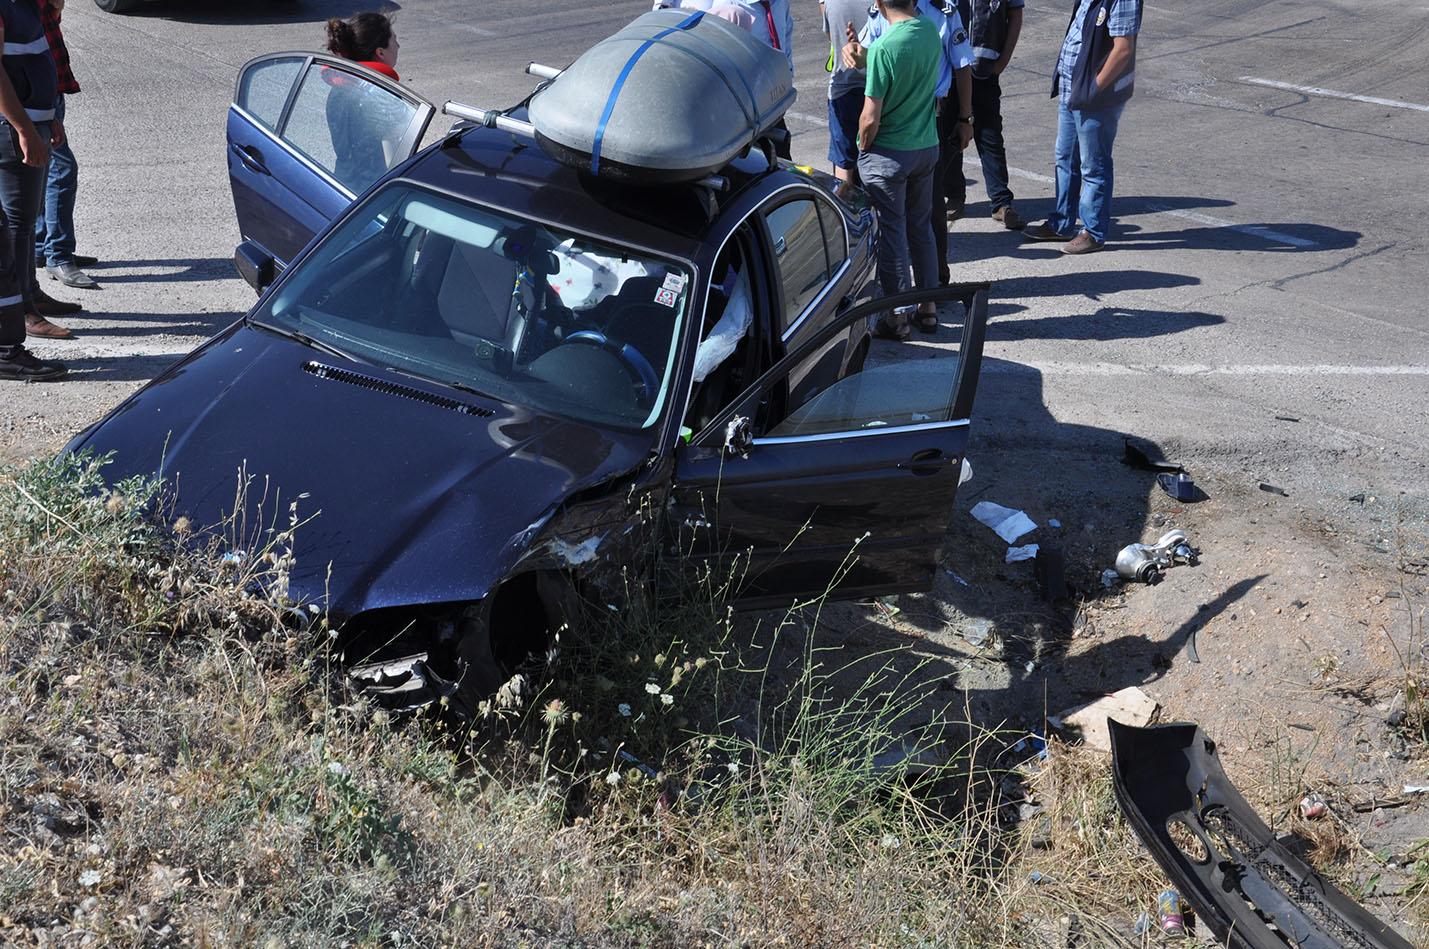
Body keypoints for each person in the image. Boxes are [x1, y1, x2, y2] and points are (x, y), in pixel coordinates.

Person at [842, 0, 944, 341]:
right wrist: (866, 58)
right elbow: (905, 64)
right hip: (925, 146)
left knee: (892, 233)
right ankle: (928, 307)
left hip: (889, 155)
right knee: (921, 227)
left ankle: (896, 316)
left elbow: (870, 118)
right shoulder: (929, 30)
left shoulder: (885, 47)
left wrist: (861, 147)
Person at [1024, 0, 1141, 254]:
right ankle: (1062, 224)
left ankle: (1094, 232)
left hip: (1095, 97)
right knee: (1065, 157)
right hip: (1073, 89)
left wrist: (1093, 88)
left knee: (1093, 164)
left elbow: (1123, 48)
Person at [0, 0, 68, 377]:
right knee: (16, 227)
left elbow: (39, 56)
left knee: (22, 223)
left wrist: (52, 115)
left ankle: (30, 296)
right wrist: (25, 130)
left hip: (35, 123)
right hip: (14, 131)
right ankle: (23, 311)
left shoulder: (24, 3)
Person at [654, 0, 795, 158]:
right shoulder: (728, 8)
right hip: (743, 110)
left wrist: (787, 73)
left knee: (782, 161)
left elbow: (785, 34)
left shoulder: (779, 3)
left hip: (773, 102)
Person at [947, 0, 1025, 230]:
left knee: (990, 137)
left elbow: (1015, 15)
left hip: (984, 71)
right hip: (950, 71)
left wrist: (1003, 61)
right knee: (950, 137)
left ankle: (1001, 202)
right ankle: (953, 195)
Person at [35, 0, 94, 300]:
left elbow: (53, 17)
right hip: (38, 97)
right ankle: (58, 255)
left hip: (51, 89)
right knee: (62, 170)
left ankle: (41, 246)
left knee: (44, 170)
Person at [324, 13, 404, 190]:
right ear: (380, 52)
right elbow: (396, 158)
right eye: (394, 40)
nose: (398, 46)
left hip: (341, 184)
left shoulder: (338, 89)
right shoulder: (382, 96)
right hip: (372, 193)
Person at [820, 0, 871, 186]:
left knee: (844, 163)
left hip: (843, 89)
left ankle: (846, 209)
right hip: (876, 88)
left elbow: (831, 36)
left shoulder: (831, 3)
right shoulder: (881, 4)